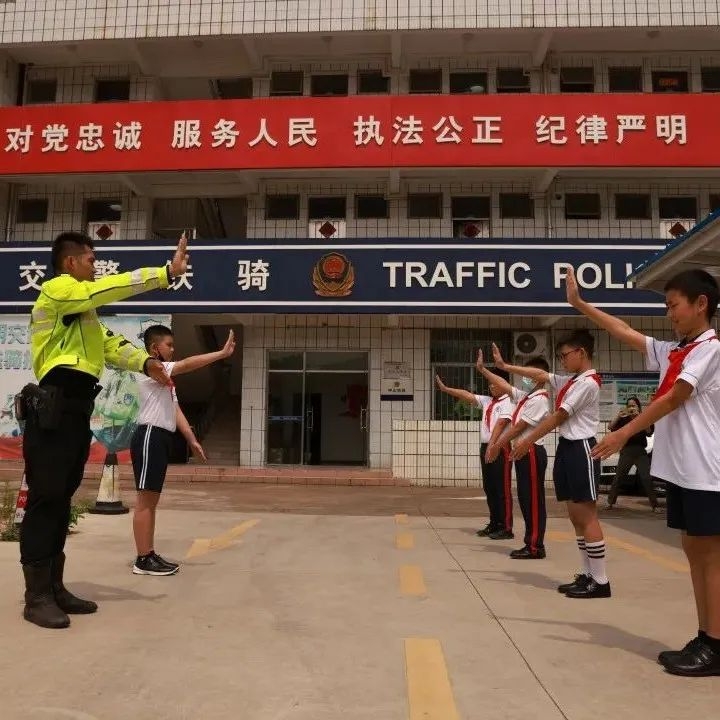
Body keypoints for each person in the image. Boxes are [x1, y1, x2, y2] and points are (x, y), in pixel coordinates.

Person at [20, 231, 189, 629]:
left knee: (62, 498)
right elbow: (106, 288)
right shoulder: (58, 290)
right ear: (70, 263)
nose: (95, 267)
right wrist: (164, 273)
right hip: (53, 410)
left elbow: (112, 345)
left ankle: (55, 587)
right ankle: (36, 596)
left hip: (76, 412)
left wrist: (147, 364)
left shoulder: (83, 314)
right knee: (46, 498)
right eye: (91, 259)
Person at [572, 266, 720, 677]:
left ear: (701, 304)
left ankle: (715, 645)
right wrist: (581, 305)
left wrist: (623, 433)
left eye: (674, 305)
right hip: (685, 471)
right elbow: (624, 331)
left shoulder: (709, 350)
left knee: (711, 558)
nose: (669, 313)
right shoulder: (677, 351)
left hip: (707, 471)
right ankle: (706, 637)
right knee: (695, 554)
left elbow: (675, 397)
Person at [498, 329, 610, 599]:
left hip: (582, 448)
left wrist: (527, 441)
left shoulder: (587, 383)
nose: (562, 361)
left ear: (581, 353)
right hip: (567, 448)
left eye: (564, 356)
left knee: (587, 515)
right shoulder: (571, 381)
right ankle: (587, 574)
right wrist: (506, 367)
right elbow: (541, 375)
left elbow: (558, 416)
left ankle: (600, 580)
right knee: (576, 517)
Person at [131, 325, 236, 576]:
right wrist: (221, 354)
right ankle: (143, 559)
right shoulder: (151, 368)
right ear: (154, 348)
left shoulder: (164, 379)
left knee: (151, 500)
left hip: (160, 437)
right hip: (149, 435)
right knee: (145, 500)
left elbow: (175, 409)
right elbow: (187, 364)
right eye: (169, 345)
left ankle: (148, 553)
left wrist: (192, 439)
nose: (173, 350)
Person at [477, 351, 551, 559]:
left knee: (533, 500)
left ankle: (535, 546)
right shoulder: (526, 397)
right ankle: (531, 542)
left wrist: (497, 445)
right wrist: (483, 370)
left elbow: (519, 427)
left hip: (532, 451)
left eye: (529, 374)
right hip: (522, 453)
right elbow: (504, 384)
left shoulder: (539, 399)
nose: (525, 378)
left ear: (539, 377)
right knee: (526, 499)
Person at [435, 365, 514, 539]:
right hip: (486, 446)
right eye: (489, 383)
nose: (491, 386)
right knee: (489, 487)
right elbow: (467, 395)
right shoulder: (488, 401)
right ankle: (494, 523)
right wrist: (446, 389)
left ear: (503, 383)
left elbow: (501, 424)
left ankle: (506, 527)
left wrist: (492, 446)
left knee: (502, 488)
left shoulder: (509, 401)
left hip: (500, 447)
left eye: (494, 383)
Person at [604, 396, 658, 511]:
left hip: (640, 452)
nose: (631, 408)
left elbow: (649, 432)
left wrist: (640, 417)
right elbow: (610, 427)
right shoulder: (624, 418)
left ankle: (655, 505)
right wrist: (618, 416)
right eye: (629, 406)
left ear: (638, 406)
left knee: (646, 478)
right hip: (627, 451)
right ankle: (610, 503)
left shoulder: (644, 417)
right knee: (618, 477)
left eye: (633, 405)